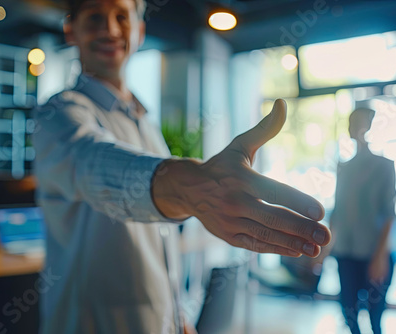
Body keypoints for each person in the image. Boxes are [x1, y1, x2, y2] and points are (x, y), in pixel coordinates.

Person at [32, 0, 332, 333]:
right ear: (70, 29)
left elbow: (156, 244)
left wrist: (177, 318)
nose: (111, 29)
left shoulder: (144, 122)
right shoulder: (58, 115)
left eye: (121, 17)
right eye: (95, 17)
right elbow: (92, 164)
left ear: (141, 31)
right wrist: (193, 190)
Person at [330, 108, 396, 334]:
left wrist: (380, 256)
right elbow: (337, 213)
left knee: (375, 318)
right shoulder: (344, 168)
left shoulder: (384, 166)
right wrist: (322, 250)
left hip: (373, 252)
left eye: (357, 123)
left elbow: (389, 213)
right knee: (349, 313)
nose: (353, 128)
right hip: (346, 253)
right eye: (351, 123)